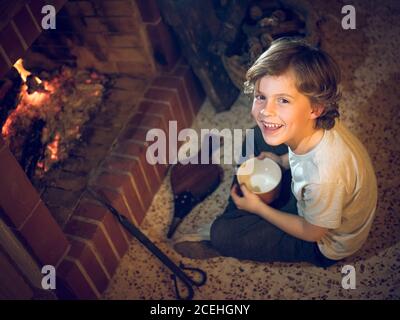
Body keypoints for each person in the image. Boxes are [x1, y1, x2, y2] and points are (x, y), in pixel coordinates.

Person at [173, 38, 378, 268]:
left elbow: (312, 232)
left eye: (283, 100)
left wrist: (259, 208)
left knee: (223, 233)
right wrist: (280, 160)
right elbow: (301, 154)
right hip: (310, 193)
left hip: (321, 241)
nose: (266, 111)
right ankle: (245, 211)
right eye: (261, 97)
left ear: (315, 108)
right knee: (256, 137)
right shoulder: (317, 125)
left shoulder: (324, 176)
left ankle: (239, 220)